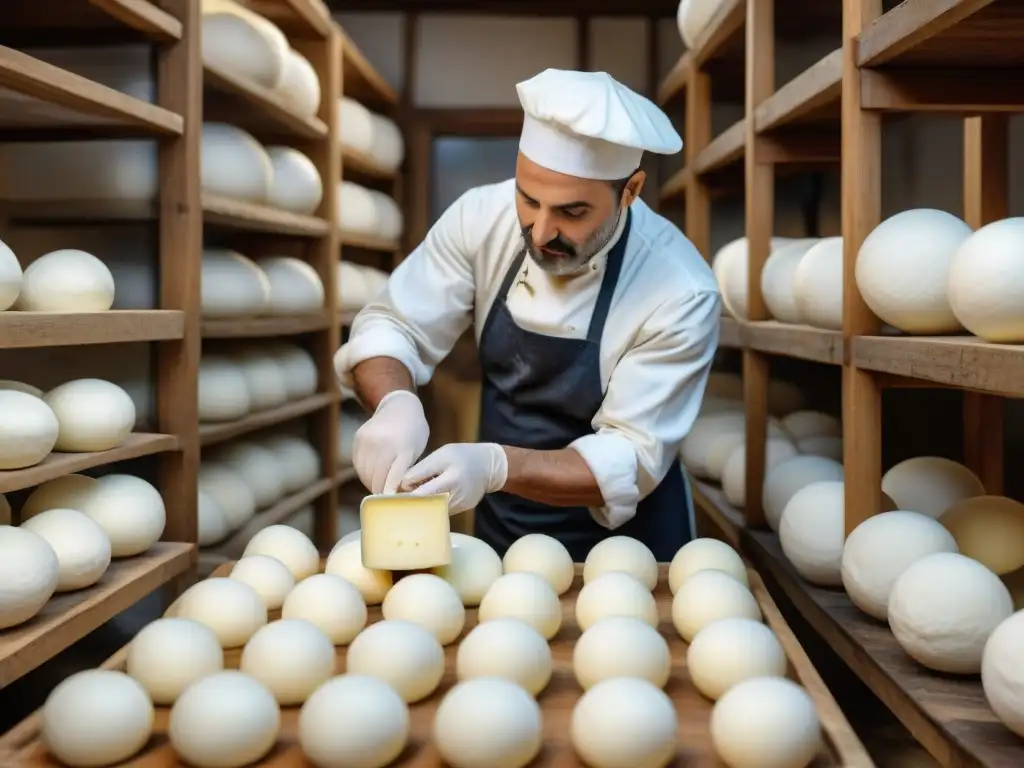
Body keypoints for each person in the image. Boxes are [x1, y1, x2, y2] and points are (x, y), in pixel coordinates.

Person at [334, 68, 721, 562]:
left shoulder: (680, 291)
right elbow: (393, 325)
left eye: (572, 213)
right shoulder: (479, 219)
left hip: (631, 547)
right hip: (507, 523)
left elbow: (627, 457)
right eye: (528, 199)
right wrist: (395, 402)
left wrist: (495, 465)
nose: (540, 233)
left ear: (631, 190)